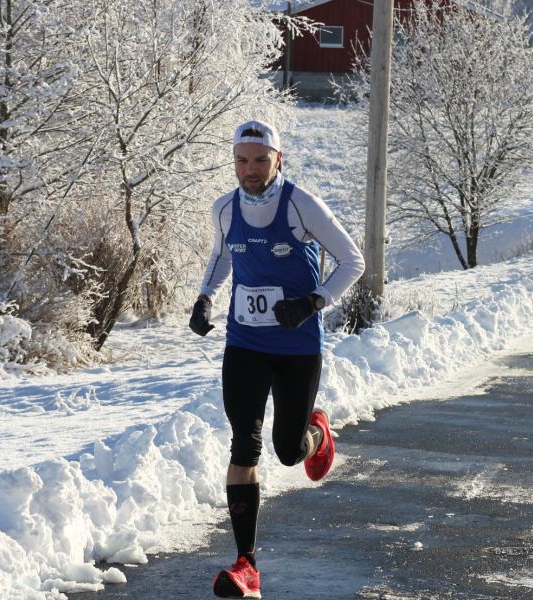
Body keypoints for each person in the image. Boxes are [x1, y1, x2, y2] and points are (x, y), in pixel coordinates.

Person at [189, 119, 364, 599]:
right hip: (244, 342)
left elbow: (353, 260)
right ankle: (246, 566)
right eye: (242, 161)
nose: (250, 170)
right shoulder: (224, 209)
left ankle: (317, 431)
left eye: (260, 160)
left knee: (287, 452)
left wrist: (314, 301)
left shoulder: (301, 205)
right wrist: (205, 297)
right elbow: (222, 254)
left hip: (296, 345)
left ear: (278, 160)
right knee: (243, 447)